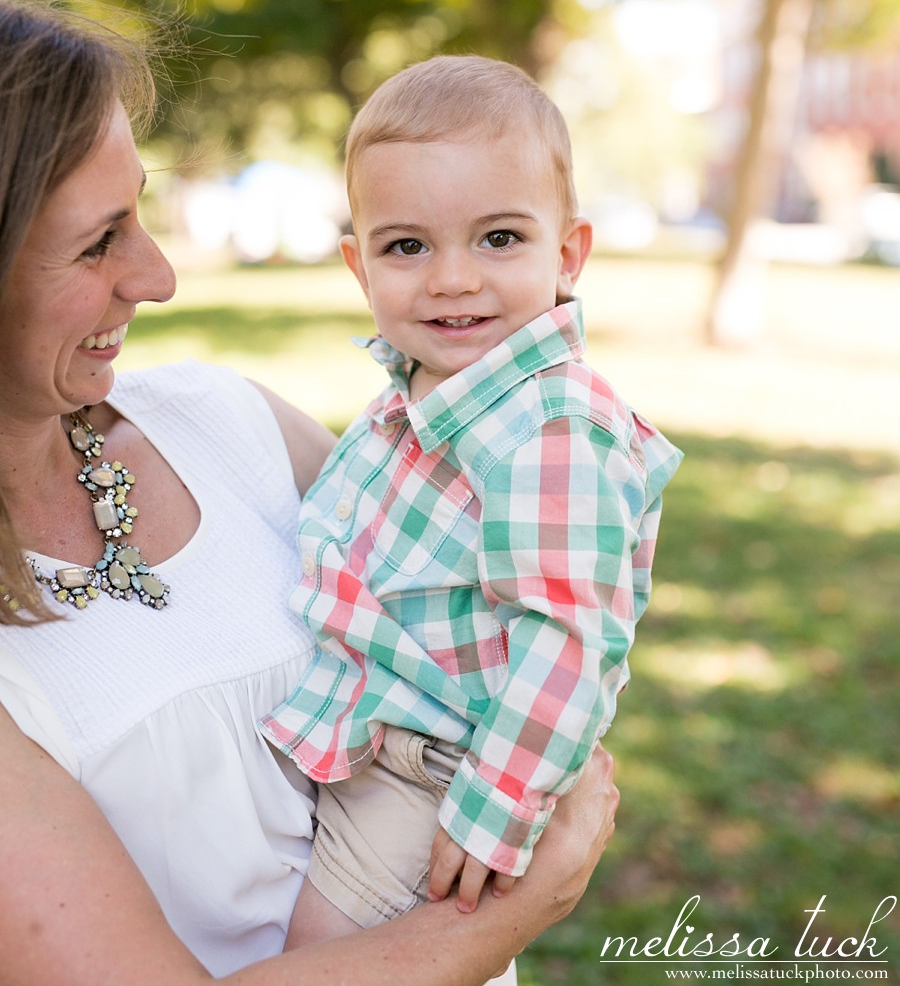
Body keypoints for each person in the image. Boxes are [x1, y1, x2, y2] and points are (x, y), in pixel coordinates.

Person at [0, 0, 620, 986]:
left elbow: (514, 599)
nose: (159, 277)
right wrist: (520, 906)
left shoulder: (222, 420)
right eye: (99, 240)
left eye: (143, 211)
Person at [260, 56, 682, 948]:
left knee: (320, 960)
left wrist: (492, 809)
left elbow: (571, 639)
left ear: (567, 255)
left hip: (437, 784)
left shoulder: (551, 429)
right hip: (377, 744)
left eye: (498, 238)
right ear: (358, 265)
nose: (452, 278)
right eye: (407, 246)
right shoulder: (429, 392)